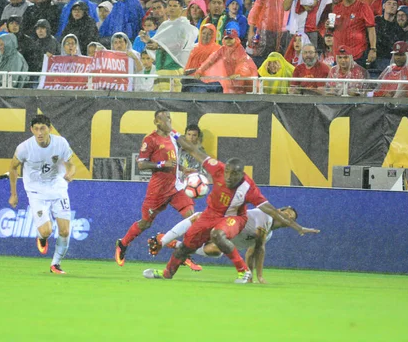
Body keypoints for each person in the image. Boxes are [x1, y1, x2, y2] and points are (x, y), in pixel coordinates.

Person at [143, 133, 319, 283]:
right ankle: (166, 274)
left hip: (235, 218)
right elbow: (193, 150)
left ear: (241, 174)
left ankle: (243, 271)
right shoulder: (217, 168)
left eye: (233, 174)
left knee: (217, 235)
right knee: (185, 248)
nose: (228, 176)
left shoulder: (248, 188)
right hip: (211, 214)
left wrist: (298, 227)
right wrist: (173, 133)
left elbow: (272, 210)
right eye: (227, 171)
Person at [114, 110, 197, 268]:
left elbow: (174, 159)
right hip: (158, 190)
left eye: (170, 119)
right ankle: (123, 244)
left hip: (176, 186)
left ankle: (182, 253)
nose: (169, 122)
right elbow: (141, 163)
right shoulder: (150, 139)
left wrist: (182, 170)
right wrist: (160, 165)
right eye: (165, 120)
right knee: (145, 223)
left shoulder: (173, 135)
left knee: (191, 218)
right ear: (157, 122)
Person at [148, 206, 304, 283]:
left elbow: (252, 252)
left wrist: (253, 276)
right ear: (278, 211)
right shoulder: (264, 216)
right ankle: (164, 240)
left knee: (215, 251)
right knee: (199, 217)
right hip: (221, 224)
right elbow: (260, 249)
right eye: (286, 213)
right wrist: (260, 276)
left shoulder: (268, 235)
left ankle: (176, 245)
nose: (287, 217)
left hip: (222, 242)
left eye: (291, 218)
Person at [8, 114, 76, 274]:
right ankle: (42, 237)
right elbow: (12, 168)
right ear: (31, 130)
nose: (39, 133)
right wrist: (13, 194)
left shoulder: (61, 143)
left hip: (58, 188)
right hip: (36, 191)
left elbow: (71, 164)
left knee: (65, 231)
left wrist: (70, 173)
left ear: (50, 129)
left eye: (42, 128)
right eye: (36, 129)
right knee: (46, 231)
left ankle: (55, 265)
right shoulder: (24, 148)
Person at [142, 0, 199, 92]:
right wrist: (148, 40)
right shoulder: (164, 25)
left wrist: (159, 46)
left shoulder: (184, 26)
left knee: (171, 101)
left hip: (174, 67)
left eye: (175, 6)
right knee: (158, 98)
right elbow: (157, 43)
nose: (172, 8)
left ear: (181, 8)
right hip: (160, 66)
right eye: (170, 5)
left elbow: (181, 45)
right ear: (166, 8)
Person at [247, 0, 293, 67]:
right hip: (266, 32)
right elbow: (256, 10)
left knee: (282, 62)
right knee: (263, 60)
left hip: (285, 33)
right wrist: (251, 31)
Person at [196, 28, 258, 94]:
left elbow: (243, 63)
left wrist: (239, 74)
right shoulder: (223, 49)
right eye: (226, 38)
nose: (228, 41)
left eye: (231, 38)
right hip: (233, 79)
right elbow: (211, 60)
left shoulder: (239, 50)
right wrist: (200, 70)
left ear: (236, 39)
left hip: (245, 79)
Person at [331, 0, 377, 67]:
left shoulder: (363, 7)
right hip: (339, 53)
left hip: (357, 53)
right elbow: (333, 28)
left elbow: (371, 29)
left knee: (357, 79)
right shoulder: (336, 8)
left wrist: (373, 49)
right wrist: (329, 26)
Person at [183, 23, 222, 92]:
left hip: (211, 82)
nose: (205, 36)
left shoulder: (218, 49)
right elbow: (186, 68)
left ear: (213, 35)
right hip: (192, 81)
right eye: (203, 33)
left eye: (209, 34)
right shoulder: (193, 48)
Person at [374, 0, 403, 72]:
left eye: (394, 4)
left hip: (391, 58)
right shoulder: (376, 21)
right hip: (376, 57)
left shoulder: (399, 24)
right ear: (384, 6)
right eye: (389, 3)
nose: (392, 6)